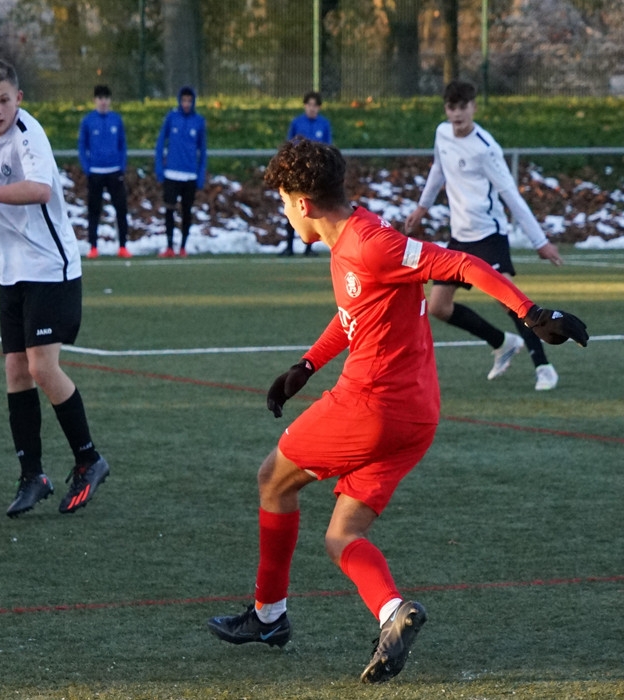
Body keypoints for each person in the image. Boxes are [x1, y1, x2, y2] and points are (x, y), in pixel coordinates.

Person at [206, 137, 587, 683]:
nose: (285, 212)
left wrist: (530, 311)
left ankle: (268, 617)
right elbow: (356, 312)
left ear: (304, 204)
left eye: (285, 202)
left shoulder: (370, 243)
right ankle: (393, 612)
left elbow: (460, 262)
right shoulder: (354, 236)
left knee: (273, 480)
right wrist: (307, 365)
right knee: (342, 534)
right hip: (415, 416)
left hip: (371, 407)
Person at [0, 58, 110, 518]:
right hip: (12, 269)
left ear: (18, 99)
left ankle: (88, 460)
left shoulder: (29, 134)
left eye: (5, 100)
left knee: (42, 367)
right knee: (15, 371)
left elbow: (41, 190)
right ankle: (33, 476)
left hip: (50, 267)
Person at [405, 80, 564, 391]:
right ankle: (502, 343)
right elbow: (439, 169)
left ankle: (544, 367)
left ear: (473, 108)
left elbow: (511, 196)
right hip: (460, 237)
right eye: (451, 107)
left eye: (463, 107)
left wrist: (540, 242)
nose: (457, 114)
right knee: (438, 307)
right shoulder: (442, 133)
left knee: (510, 302)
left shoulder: (486, 148)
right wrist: (422, 207)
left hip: (489, 236)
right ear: (446, 109)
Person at [78, 84, 131, 259]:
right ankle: (93, 247)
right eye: (100, 98)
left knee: (121, 209)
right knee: (94, 210)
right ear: (95, 100)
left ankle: (122, 246)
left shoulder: (116, 120)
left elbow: (122, 145)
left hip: (114, 172)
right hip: (96, 173)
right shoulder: (88, 121)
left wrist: (121, 166)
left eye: (106, 98)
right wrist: (87, 168)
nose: (103, 102)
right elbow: (82, 146)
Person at [154, 86, 207, 258]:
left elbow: (202, 150)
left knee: (186, 211)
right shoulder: (171, 118)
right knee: (169, 210)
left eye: (189, 101)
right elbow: (160, 143)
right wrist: (159, 168)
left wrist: (200, 174)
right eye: (184, 100)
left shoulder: (198, 121)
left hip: (189, 175)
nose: (186, 104)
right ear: (179, 101)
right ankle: (169, 246)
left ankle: (183, 246)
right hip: (171, 174)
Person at [281, 91, 332, 257]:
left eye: (315, 105)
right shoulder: (297, 123)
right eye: (309, 105)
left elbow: (328, 149)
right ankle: (289, 246)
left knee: (311, 210)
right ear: (305, 106)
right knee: (293, 208)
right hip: (297, 173)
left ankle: (308, 248)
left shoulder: (324, 124)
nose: (312, 108)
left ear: (319, 107)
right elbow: (289, 147)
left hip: (315, 174)